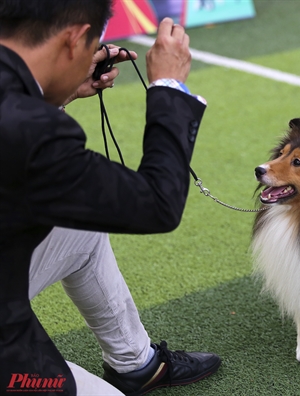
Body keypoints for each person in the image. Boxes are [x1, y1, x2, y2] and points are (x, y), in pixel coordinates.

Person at [0, 0, 220, 395]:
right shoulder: (35, 131)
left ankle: (138, 364)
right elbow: (156, 205)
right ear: (75, 39)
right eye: (91, 47)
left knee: (79, 227)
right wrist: (169, 87)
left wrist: (58, 88)